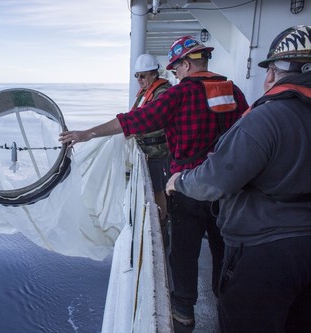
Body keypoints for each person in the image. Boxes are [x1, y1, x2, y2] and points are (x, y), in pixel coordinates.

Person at [59, 36, 249, 327]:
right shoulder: (234, 91)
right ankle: (227, 306)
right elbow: (246, 135)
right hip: (227, 187)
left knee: (184, 251)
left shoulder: (179, 94)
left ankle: (183, 310)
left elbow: (133, 121)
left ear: (187, 64)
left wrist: (86, 133)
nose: (175, 74)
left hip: (187, 184)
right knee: (222, 249)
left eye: (176, 69)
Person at [165, 25, 311, 332]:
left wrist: (178, 181)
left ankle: (184, 308)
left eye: (270, 70)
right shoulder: (234, 92)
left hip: (263, 253)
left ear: (275, 73)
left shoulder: (266, 119)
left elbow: (215, 181)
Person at [131, 54, 172, 240]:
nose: (140, 80)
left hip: (159, 153)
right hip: (147, 152)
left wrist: (137, 132)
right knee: (152, 188)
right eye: (137, 76)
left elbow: (159, 123)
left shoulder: (163, 93)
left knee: (158, 190)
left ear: (155, 74)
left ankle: (162, 226)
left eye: (144, 76)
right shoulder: (144, 93)